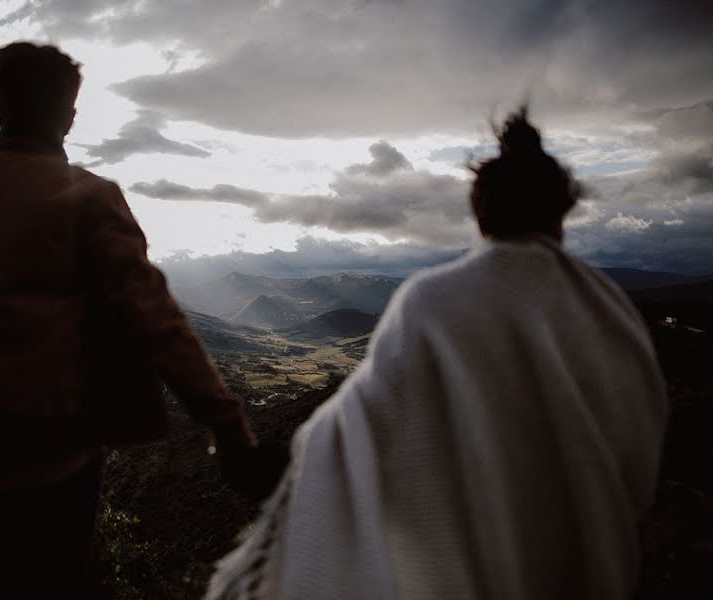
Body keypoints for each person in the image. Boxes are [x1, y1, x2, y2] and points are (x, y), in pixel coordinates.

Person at [207, 108, 670, 599]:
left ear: (479, 213)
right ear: (562, 211)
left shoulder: (433, 300)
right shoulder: (609, 308)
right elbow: (641, 442)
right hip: (591, 564)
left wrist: (267, 458)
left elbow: (363, 424)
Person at [0, 41, 274, 599]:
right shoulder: (87, 198)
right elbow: (156, 320)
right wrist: (228, 424)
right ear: (70, 117)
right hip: (50, 464)